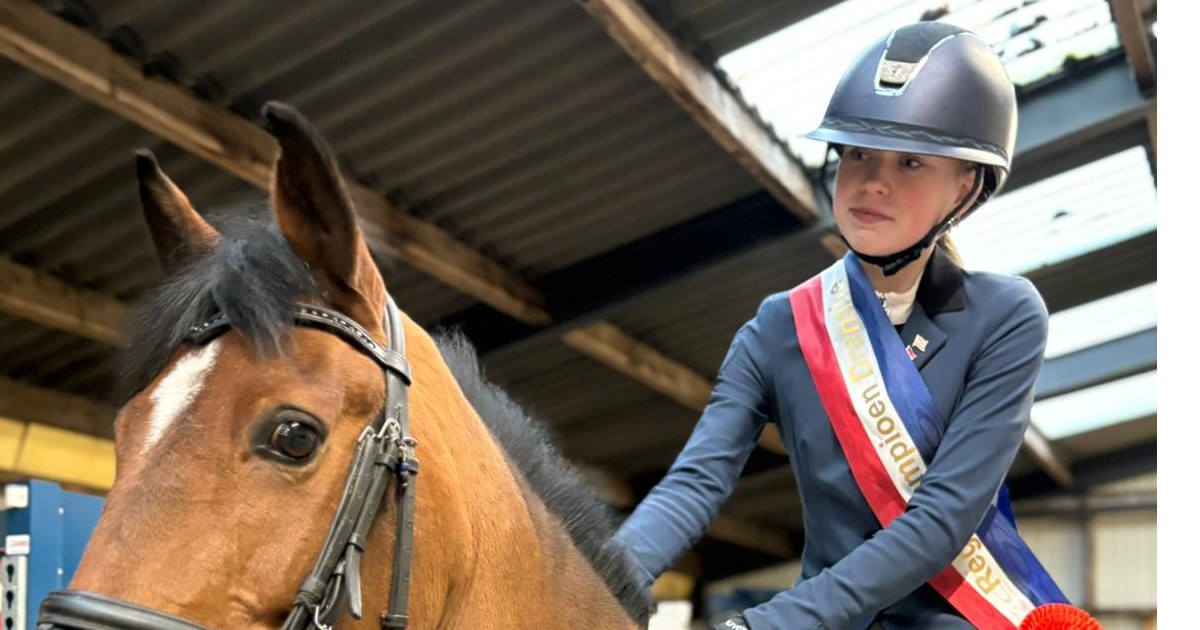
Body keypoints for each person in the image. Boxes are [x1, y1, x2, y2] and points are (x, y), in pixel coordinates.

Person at [613, 21, 1084, 630]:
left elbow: (943, 518)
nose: (873, 181)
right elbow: (694, 485)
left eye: (911, 162)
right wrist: (593, 576)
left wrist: (763, 626)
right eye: (857, 153)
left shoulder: (1006, 316)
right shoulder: (778, 327)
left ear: (965, 186)